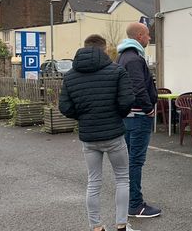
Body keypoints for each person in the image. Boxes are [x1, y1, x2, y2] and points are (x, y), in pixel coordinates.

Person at [59, 34, 138, 231]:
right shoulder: (117, 71)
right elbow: (127, 100)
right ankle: (121, 224)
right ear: (104, 49)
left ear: (84, 47)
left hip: (89, 137)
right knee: (122, 179)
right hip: (114, 135)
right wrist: (116, 115)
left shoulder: (70, 76)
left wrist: (83, 116)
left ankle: (96, 226)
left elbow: (65, 107)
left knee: (93, 181)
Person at [117, 22, 161, 218]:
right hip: (138, 117)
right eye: (148, 35)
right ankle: (135, 205)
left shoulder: (122, 57)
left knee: (128, 162)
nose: (149, 39)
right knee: (135, 162)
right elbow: (138, 87)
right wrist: (149, 109)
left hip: (128, 117)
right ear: (140, 35)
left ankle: (127, 202)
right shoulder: (134, 59)